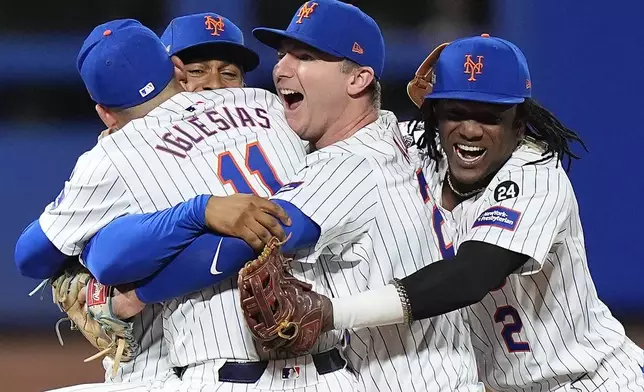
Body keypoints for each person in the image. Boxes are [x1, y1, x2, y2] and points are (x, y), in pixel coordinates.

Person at [70, 1, 483, 391]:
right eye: (283, 53)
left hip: (402, 379)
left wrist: (130, 297)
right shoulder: (402, 135)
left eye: (305, 57)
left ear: (359, 78)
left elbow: (251, 238)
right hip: (428, 371)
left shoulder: (348, 165)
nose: (282, 67)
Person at [300, 34, 644, 391]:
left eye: (490, 117)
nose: (470, 130)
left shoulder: (535, 174)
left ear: (518, 123)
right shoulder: (417, 148)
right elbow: (347, 144)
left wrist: (332, 312)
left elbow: (471, 276)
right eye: (456, 113)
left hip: (592, 380)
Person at [14, 17, 305, 392]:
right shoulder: (270, 108)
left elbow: (33, 255)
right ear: (178, 71)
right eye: (198, 70)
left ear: (105, 111)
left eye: (228, 74)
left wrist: (117, 278)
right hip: (285, 347)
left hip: (203, 364)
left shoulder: (114, 155)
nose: (213, 86)